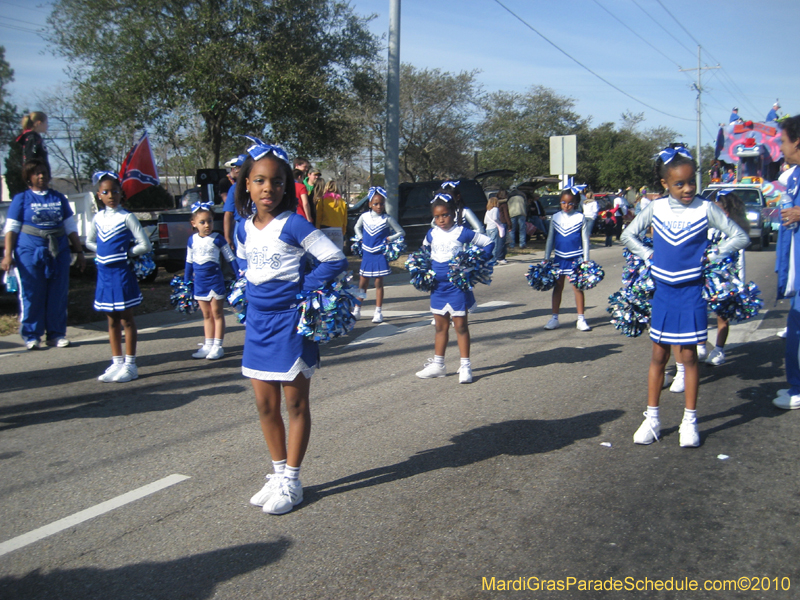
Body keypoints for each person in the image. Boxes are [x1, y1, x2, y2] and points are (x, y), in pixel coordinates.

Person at [235, 139, 347, 515]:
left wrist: (303, 290)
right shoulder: (242, 228)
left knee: (295, 403)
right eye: (260, 180)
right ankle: (278, 472)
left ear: (286, 185)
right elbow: (242, 266)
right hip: (257, 326)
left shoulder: (294, 223)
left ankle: (293, 481)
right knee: (265, 407)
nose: (269, 188)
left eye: (277, 181)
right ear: (247, 184)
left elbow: (334, 259)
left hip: (290, 324)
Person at [621, 144, 748, 447]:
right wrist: (649, 256)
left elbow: (739, 236)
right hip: (663, 291)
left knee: (689, 356)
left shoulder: (705, 208)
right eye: (680, 183)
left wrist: (714, 255)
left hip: (691, 292)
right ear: (665, 184)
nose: (688, 188)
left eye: (692, 181)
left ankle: (689, 422)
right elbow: (629, 235)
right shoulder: (656, 207)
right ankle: (651, 419)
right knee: (658, 355)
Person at [1, 160, 86, 349]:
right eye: (37, 173)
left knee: (58, 294)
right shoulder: (22, 199)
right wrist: (8, 255)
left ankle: (56, 334)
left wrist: (79, 251)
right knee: (32, 294)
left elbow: (70, 227)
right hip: (29, 253)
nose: (42, 176)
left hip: (58, 252)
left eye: (44, 172)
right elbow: (12, 228)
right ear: (28, 177)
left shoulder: (58, 198)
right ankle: (32, 335)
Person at [415, 194, 494, 384]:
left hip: (457, 286)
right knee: (440, 327)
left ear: (453, 213)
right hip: (438, 287)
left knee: (460, 326)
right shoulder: (431, 233)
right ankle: (438, 365)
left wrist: (475, 263)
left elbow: (488, 243)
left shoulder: (462, 232)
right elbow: (423, 253)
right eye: (437, 216)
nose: (441, 220)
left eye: (445, 215)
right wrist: (422, 271)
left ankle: (465, 365)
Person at [86, 171, 152, 382]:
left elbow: (145, 245)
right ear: (99, 195)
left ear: (121, 193)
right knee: (111, 320)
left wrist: (125, 254)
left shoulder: (127, 217)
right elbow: (88, 242)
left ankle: (131, 365)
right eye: (106, 192)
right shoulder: (97, 218)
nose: (111, 195)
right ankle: (116, 362)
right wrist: (102, 253)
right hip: (105, 275)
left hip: (122, 273)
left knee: (127, 319)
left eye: (115, 191)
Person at [701, 189, 750, 367]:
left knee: (722, 315)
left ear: (726, 212)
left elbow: (740, 263)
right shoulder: (707, 229)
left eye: (715, 209)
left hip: (724, 282)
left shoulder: (734, 234)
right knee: (700, 311)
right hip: (704, 278)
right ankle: (700, 345)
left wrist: (739, 286)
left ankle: (719, 350)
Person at [185, 202, 240, 360]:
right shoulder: (192, 240)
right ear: (194, 223)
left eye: (209, 221)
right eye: (202, 222)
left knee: (217, 313)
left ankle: (218, 345)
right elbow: (189, 262)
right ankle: (208, 344)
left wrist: (238, 276)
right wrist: (186, 280)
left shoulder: (218, 238)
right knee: (206, 314)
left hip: (215, 281)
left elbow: (230, 258)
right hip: (199, 283)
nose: (207, 225)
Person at [773, 116, 800, 409]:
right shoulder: (794, 176)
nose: (781, 146)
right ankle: (796, 384)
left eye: (783, 140)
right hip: (795, 266)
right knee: (795, 329)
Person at [542, 186, 592, 332]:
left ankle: (581, 318)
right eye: (563, 202)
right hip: (559, 257)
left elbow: (585, 240)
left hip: (575, 258)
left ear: (575, 203)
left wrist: (586, 259)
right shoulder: (556, 217)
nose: (566, 206)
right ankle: (554, 317)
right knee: (558, 287)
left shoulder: (580, 218)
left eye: (570, 203)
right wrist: (546, 257)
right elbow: (550, 238)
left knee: (577, 288)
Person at [352, 186, 405, 324]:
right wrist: (360, 237)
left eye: (381, 203)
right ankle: (357, 309)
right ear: (370, 204)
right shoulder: (364, 217)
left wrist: (389, 239)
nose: (379, 206)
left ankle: (378, 311)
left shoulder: (387, 219)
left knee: (378, 283)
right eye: (375, 203)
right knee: (362, 283)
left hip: (379, 254)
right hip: (367, 254)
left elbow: (401, 232)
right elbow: (356, 227)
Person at [315, 179, 347, 251]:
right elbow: (344, 219)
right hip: (338, 229)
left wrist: (317, 228)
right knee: (338, 255)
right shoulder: (342, 201)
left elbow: (318, 216)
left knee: (325, 254)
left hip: (325, 229)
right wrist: (343, 231)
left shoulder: (322, 200)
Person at [222, 154, 246, 248]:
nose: (236, 170)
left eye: (239, 167)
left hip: (258, 225)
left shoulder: (258, 186)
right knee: (241, 259)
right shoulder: (234, 188)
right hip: (240, 226)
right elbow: (228, 213)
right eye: (236, 167)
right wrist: (227, 237)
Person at [484, 196, 505, 264]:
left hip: (488, 228)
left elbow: (485, 221)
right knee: (494, 244)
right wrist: (499, 223)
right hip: (494, 227)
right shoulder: (495, 209)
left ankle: (488, 258)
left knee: (489, 243)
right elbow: (495, 218)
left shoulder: (488, 210)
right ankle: (493, 260)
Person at [495, 190, 512, 260]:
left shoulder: (495, 203)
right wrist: (509, 224)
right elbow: (506, 215)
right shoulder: (504, 204)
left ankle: (497, 255)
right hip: (503, 222)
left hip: (497, 223)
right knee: (502, 241)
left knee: (498, 240)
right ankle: (500, 257)